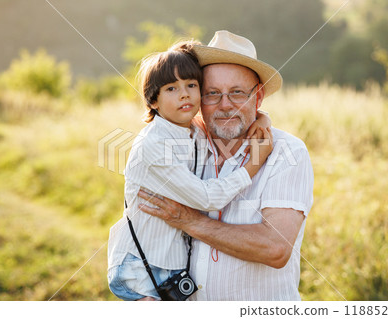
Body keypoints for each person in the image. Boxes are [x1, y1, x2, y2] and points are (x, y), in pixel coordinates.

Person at [138, 30, 314, 301]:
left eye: (237, 93)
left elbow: (275, 248)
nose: (225, 106)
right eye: (212, 94)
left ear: (258, 97)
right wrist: (144, 293)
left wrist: (188, 220)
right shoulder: (185, 143)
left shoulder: (286, 152)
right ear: (197, 99)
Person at [107, 41, 274, 301]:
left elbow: (233, 113)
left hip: (168, 265)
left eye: (191, 86)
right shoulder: (154, 144)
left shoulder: (192, 129)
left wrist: (263, 119)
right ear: (153, 100)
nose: (184, 94)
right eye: (172, 88)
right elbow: (208, 199)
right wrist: (253, 164)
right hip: (141, 267)